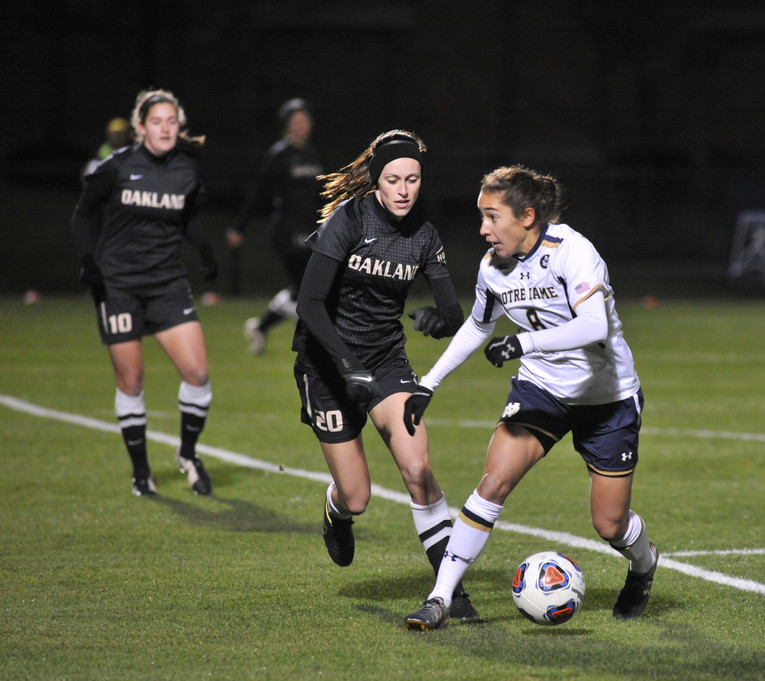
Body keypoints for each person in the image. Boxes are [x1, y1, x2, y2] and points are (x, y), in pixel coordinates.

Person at [403, 165, 658, 631]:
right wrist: (428, 382)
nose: (483, 229)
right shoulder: (491, 266)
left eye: (491, 217)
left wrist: (523, 343)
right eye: (481, 217)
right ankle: (439, 598)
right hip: (541, 389)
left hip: (608, 397)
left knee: (610, 524)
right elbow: (479, 326)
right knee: (492, 483)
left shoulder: (573, 251)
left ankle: (643, 566)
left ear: (527, 216)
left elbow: (593, 325)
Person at [292, 129, 478, 620]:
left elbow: (454, 311)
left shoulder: (424, 235)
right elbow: (308, 304)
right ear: (376, 181)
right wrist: (346, 365)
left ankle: (450, 592)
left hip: (386, 361)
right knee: (358, 497)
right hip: (327, 366)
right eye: (393, 179)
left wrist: (441, 322)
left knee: (418, 471)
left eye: (412, 179)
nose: (403, 189)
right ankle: (336, 512)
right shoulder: (348, 221)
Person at [71, 88, 219, 497]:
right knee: (132, 381)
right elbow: (83, 213)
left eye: (172, 121)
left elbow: (185, 215)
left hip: (167, 282)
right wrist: (88, 260)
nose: (166, 128)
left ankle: (187, 454)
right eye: (157, 121)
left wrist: (204, 249)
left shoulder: (188, 168)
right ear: (140, 128)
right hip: (117, 285)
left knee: (199, 374)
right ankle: (141, 473)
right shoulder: (116, 166)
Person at [228, 98, 324, 354]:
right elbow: (259, 193)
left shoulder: (312, 154)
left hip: (311, 229)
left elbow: (319, 196)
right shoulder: (279, 155)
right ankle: (316, 341)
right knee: (308, 288)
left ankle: (261, 326)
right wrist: (240, 226)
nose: (302, 126)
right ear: (286, 125)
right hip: (286, 231)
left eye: (305, 121)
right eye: (296, 122)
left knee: (305, 288)